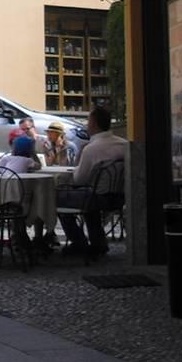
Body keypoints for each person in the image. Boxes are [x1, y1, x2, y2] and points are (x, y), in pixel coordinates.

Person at [57, 106, 127, 257]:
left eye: (88, 121)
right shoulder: (123, 144)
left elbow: (79, 179)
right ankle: (98, 243)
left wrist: (75, 167)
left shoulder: (91, 148)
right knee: (89, 197)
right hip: (120, 196)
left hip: (97, 198)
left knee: (56, 197)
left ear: (94, 123)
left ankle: (78, 241)